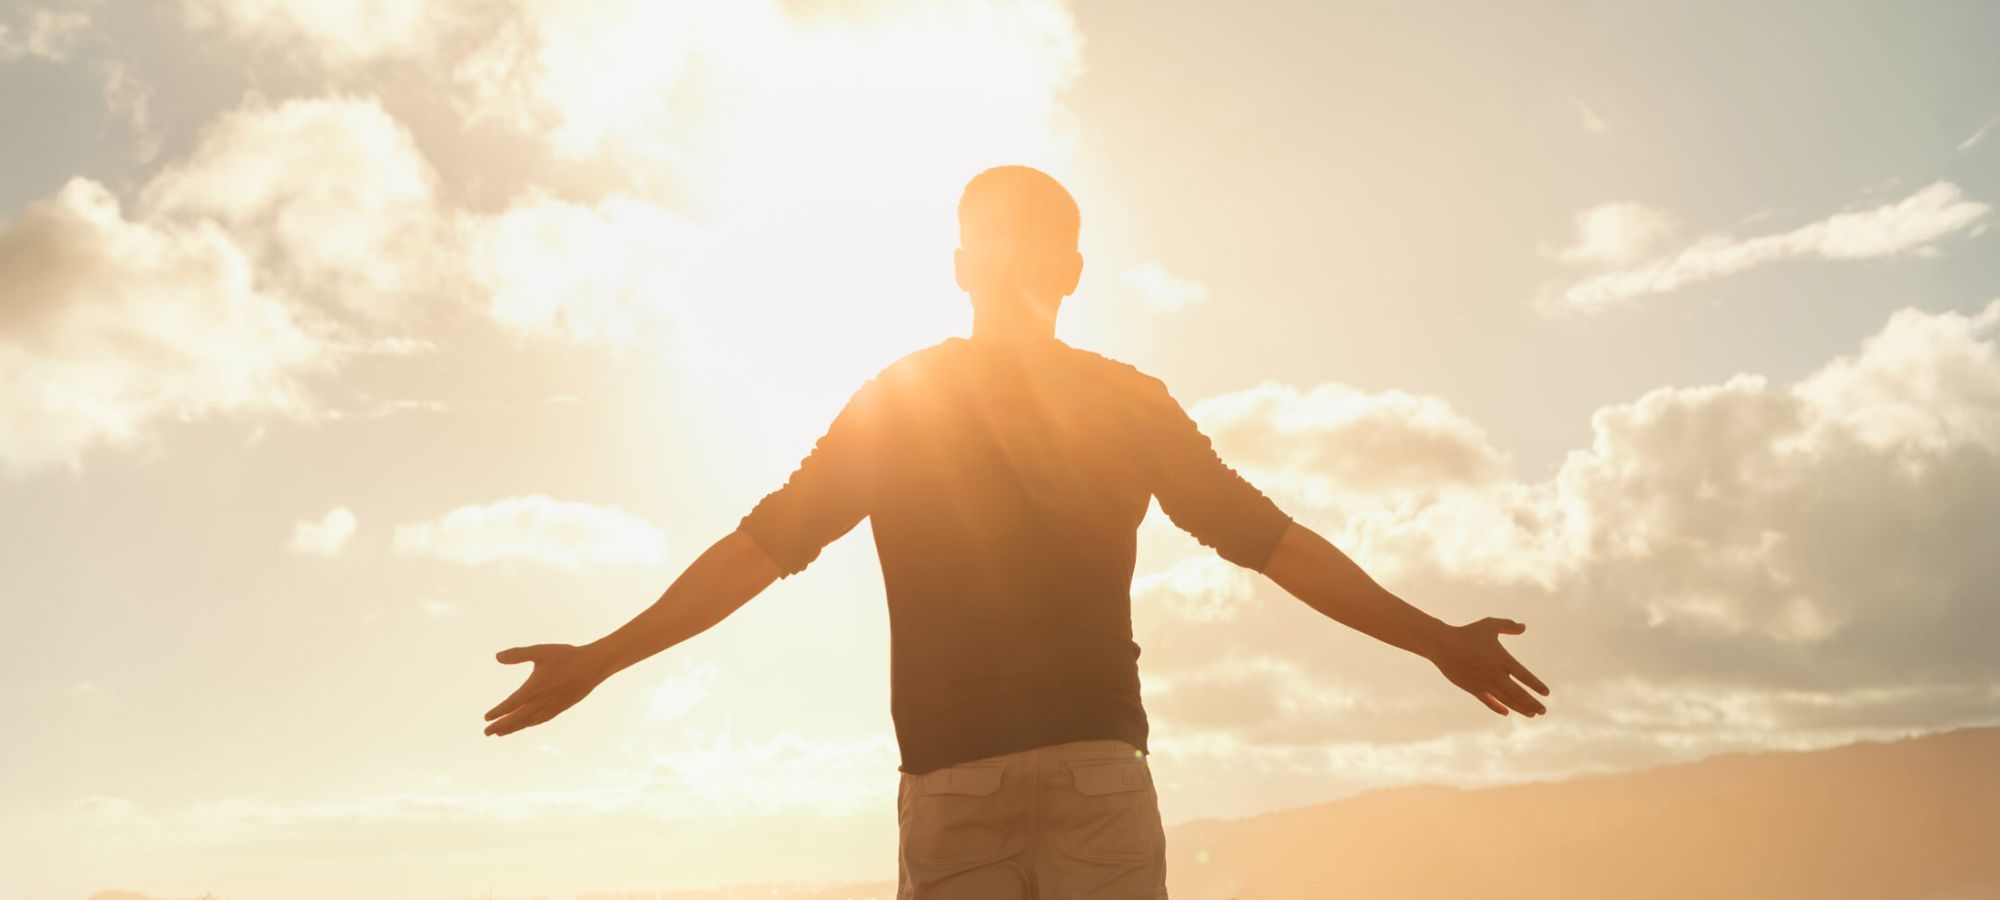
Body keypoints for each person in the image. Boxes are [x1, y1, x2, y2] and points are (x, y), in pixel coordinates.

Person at [481, 165, 1551, 899]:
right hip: (1099, 773)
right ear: (1073, 271)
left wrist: (604, 658)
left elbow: (755, 553)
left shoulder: (899, 402)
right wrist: (1434, 640)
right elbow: (1276, 544)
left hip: (953, 780)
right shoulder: (1129, 403)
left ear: (959, 268)